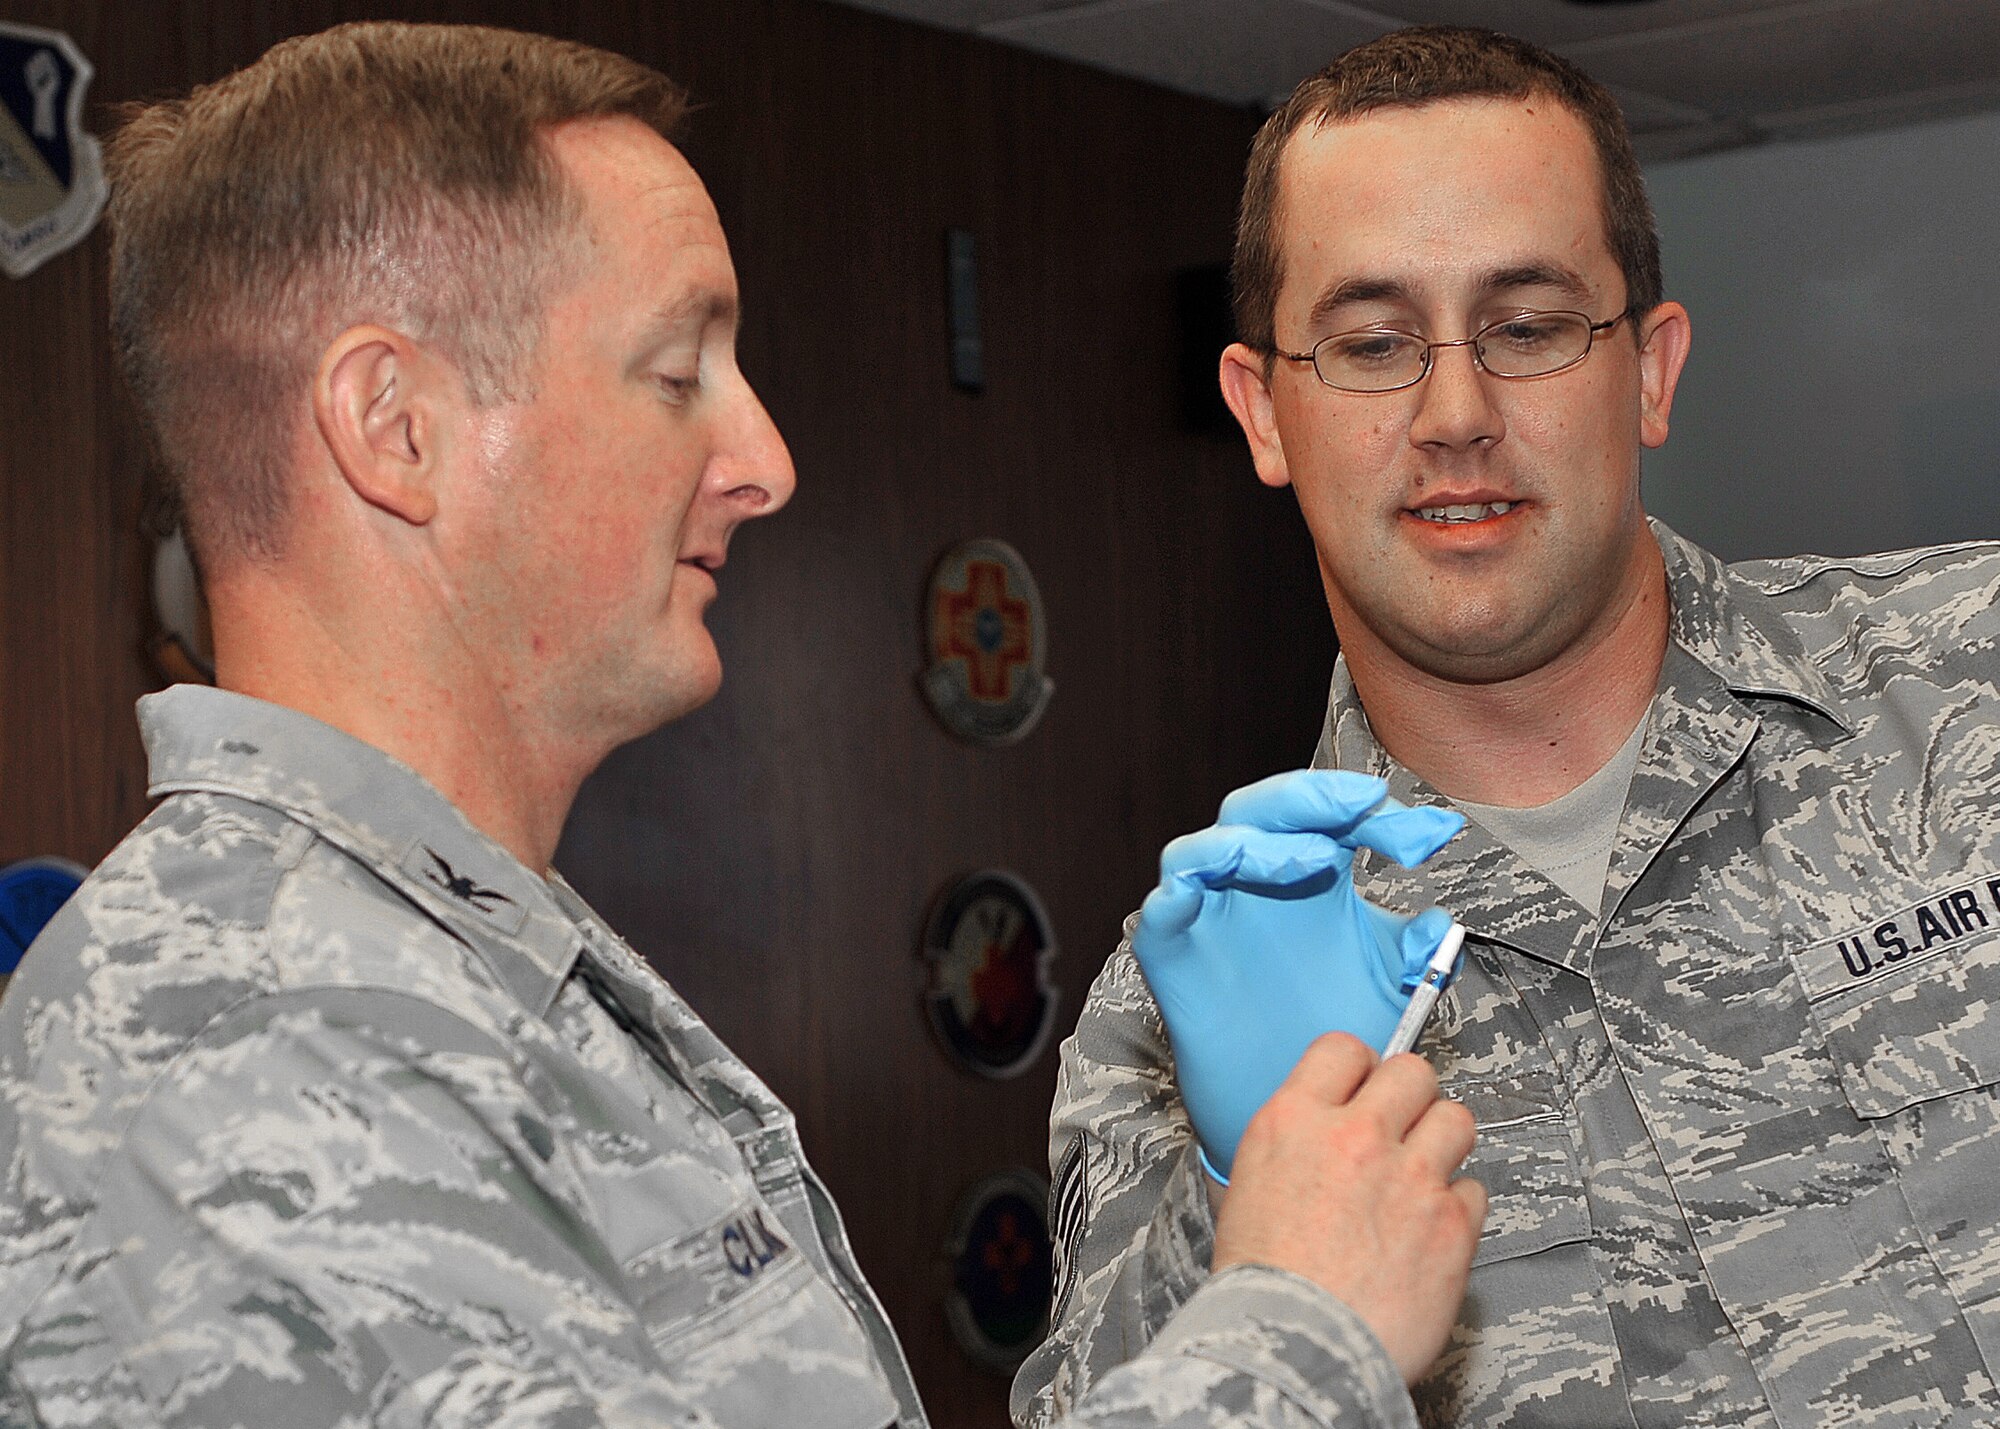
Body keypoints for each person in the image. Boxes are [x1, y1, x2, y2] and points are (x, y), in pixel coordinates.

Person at [0, 23, 1484, 1427]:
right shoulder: (252, 1044)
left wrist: (1245, 1194)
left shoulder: (447, 969)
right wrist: (1303, 1328)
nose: (764, 458)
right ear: (397, 427)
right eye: (676, 371)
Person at [1017, 23, 2000, 1429]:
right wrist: (1244, 1190)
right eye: (1369, 343)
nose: (1455, 414)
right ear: (1264, 414)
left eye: (1529, 326)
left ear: (1650, 372)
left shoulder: (1972, 683)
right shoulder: (1177, 1021)